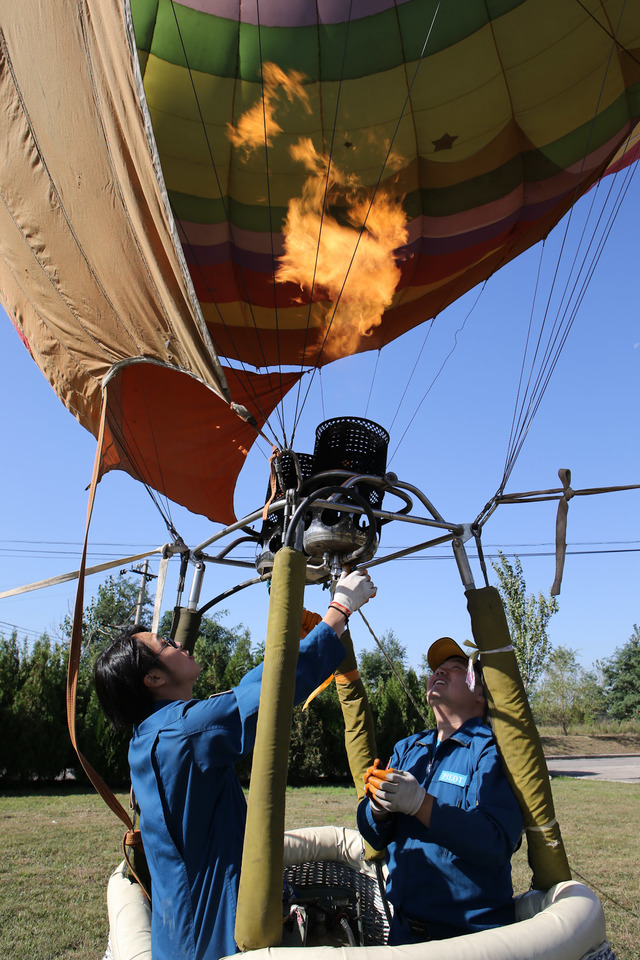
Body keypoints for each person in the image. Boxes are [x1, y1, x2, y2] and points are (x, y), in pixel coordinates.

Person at [94, 568, 376, 960]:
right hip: (213, 942)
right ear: (154, 677)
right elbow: (273, 694)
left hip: (177, 939)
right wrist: (340, 608)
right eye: (164, 643)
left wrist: (304, 633)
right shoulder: (186, 734)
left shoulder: (152, 736)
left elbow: (244, 692)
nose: (177, 642)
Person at [357, 636, 523, 943]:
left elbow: (496, 842)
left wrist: (420, 803)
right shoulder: (408, 748)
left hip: (471, 940)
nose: (440, 672)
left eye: (457, 667)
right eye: (437, 668)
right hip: (403, 934)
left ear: (482, 695)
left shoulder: (492, 752)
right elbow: (375, 836)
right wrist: (377, 809)